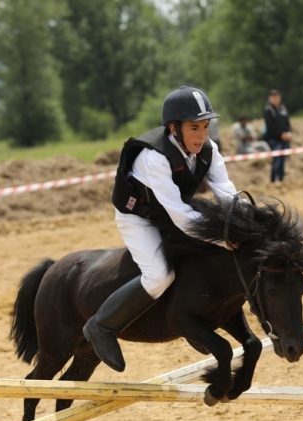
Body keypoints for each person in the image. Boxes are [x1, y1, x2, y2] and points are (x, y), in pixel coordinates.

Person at [83, 86, 239, 372]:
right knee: (159, 275)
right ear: (173, 128)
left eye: (205, 126)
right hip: (138, 218)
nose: (202, 135)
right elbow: (180, 216)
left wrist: (241, 223)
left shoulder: (209, 149)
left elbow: (225, 190)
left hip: (168, 213)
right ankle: (101, 325)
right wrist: (222, 237)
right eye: (194, 128)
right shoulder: (153, 157)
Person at [263, 89, 292, 183]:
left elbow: (287, 123)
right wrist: (280, 135)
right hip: (273, 139)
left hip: (284, 139)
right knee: (276, 160)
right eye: (273, 97)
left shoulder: (283, 108)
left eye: (277, 97)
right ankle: (273, 180)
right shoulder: (268, 110)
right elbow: (270, 127)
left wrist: (288, 132)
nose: (276, 99)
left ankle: (281, 179)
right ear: (270, 98)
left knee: (283, 159)